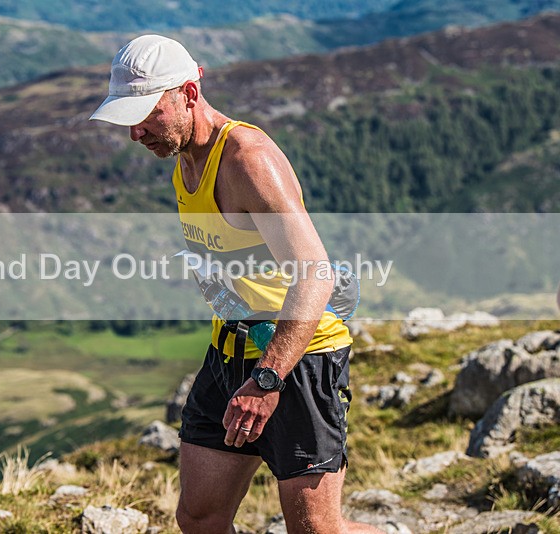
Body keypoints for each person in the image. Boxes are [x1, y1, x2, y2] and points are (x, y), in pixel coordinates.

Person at [90, 35, 382, 534]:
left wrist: (267, 380)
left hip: (298, 359)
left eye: (147, 114)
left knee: (316, 530)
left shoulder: (248, 160)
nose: (136, 133)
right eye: (128, 119)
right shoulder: (184, 155)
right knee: (200, 518)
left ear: (189, 93)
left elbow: (315, 272)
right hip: (229, 354)